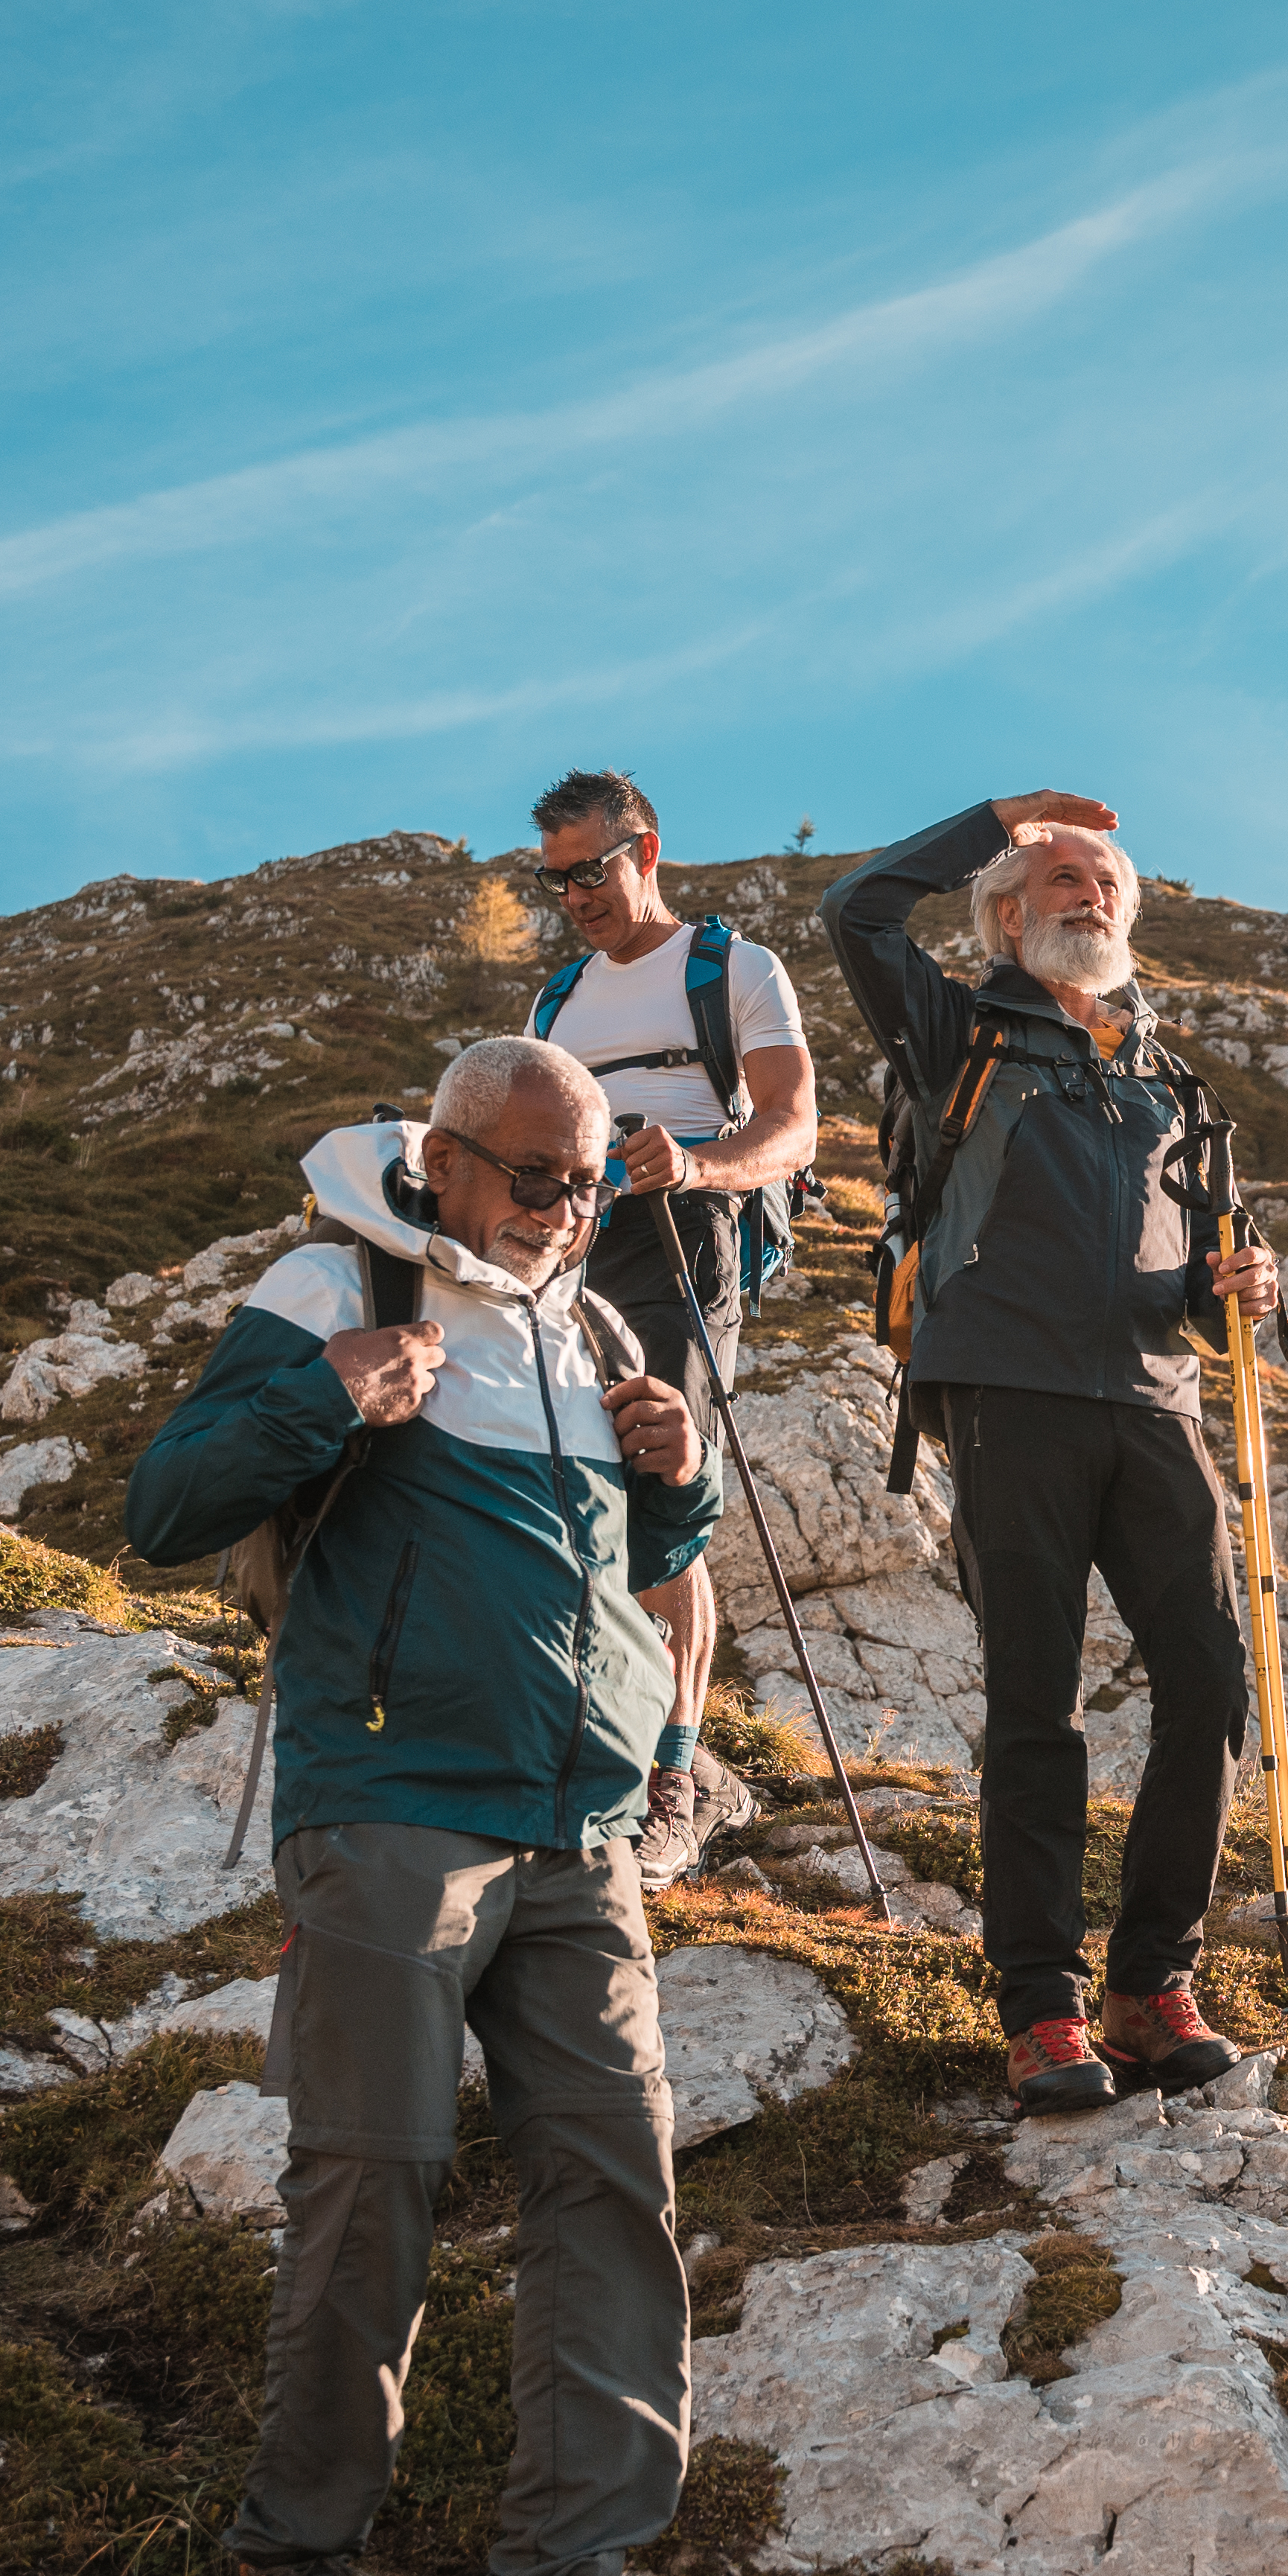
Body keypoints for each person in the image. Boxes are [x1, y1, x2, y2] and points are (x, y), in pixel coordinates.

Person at [122, 1038, 755, 2576]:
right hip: (392, 1802)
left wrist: (676, 1487)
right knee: (372, 2178)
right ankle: (289, 2563)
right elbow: (167, 1503)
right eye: (540, 1175)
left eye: (595, 1177)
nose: (568, 1208)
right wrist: (324, 1391)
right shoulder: (335, 1273)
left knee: (617, 2186)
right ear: (451, 1158)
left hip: (580, 1834)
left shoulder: (599, 1327)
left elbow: (641, 1576)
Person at [824, 790, 1279, 2116]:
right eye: (1066, 881)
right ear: (1008, 913)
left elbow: (1193, 1275)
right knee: (1039, 1703)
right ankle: (1041, 2008)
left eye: (1110, 887)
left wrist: (1235, 1286)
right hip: (1003, 1389)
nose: (1095, 898)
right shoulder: (954, 1030)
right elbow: (850, 908)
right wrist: (998, 822)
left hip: (1156, 1401)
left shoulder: (1167, 1077)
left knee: (1210, 1685)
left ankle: (1150, 1986)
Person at [518, 770, 823, 1878]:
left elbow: (793, 1127)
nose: (575, 898)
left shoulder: (734, 968)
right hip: (566, 1248)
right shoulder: (553, 1004)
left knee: (659, 1479)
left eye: (590, 872)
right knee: (554, 1480)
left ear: (647, 850)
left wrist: (696, 1165)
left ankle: (673, 1777)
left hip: (683, 1236)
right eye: (555, 882)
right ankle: (594, 1738)